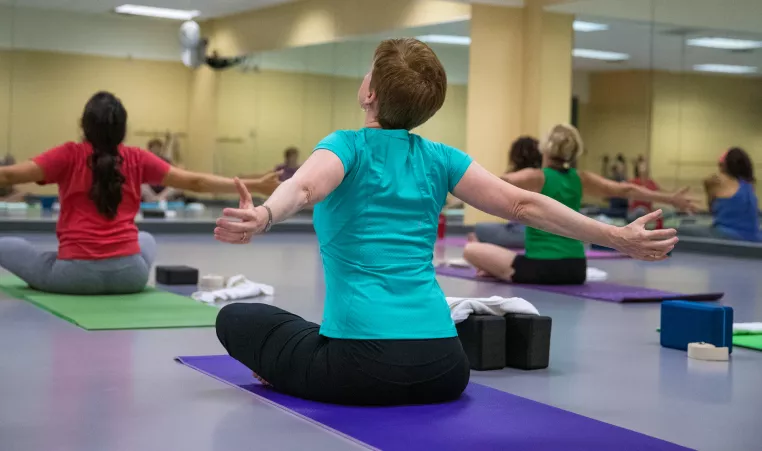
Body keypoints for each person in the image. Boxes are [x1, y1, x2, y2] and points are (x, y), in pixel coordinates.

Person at [211, 38, 679, 407]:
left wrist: (266, 214)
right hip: (444, 366)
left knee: (239, 317)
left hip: (360, 369)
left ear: (369, 93)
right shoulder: (441, 158)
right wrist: (616, 236)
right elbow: (522, 205)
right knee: (313, 332)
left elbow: (308, 186)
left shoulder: (346, 145)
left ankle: (291, 367)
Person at [0, 91, 280, 295]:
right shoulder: (137, 158)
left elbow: (9, 175)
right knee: (144, 237)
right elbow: (196, 183)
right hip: (130, 277)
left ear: (83, 125)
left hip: (73, 277)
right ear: (123, 129)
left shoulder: (68, 155)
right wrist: (254, 185)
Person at [463, 124, 695, 286]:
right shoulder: (580, 178)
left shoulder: (536, 176)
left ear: (545, 148)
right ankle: (494, 268)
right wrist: (670, 198)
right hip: (576, 269)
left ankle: (492, 268)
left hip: (540, 268)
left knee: (471, 249)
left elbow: (495, 184)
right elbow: (626, 189)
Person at [469, 136, 542, 248]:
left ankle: (479, 249)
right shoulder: (546, 176)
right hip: (538, 232)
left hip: (523, 233)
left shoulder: (515, 178)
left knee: (479, 230)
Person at [679, 147, 760, 242]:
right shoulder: (749, 185)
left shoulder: (714, 181)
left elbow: (712, 209)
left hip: (726, 235)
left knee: (678, 231)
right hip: (755, 237)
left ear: (724, 164)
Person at [142, 134, 184, 202]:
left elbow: (174, 172)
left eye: (158, 148)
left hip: (163, 188)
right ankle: (153, 199)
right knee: (142, 186)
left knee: (177, 186)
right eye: (154, 148)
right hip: (149, 189)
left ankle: (158, 199)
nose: (156, 150)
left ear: (160, 149)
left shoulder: (165, 161)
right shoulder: (144, 161)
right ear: (149, 149)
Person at [628, 156, 661, 223]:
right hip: (635, 212)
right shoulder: (633, 182)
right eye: (642, 167)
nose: (644, 169)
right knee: (641, 210)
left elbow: (661, 193)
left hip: (648, 212)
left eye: (645, 166)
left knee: (664, 211)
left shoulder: (651, 183)